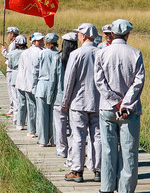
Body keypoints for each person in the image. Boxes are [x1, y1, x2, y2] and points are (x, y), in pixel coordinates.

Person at [94, 19, 145, 193]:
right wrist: (125, 103)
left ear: (112, 33)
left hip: (108, 107)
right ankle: (127, 188)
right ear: (128, 34)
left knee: (108, 148)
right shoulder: (135, 53)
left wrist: (114, 100)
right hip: (130, 109)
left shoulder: (102, 53)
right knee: (129, 149)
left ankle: (107, 186)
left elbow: (99, 81)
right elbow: (138, 82)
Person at [62, 23, 101, 183]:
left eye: (79, 34)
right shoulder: (101, 52)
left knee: (78, 136)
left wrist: (65, 101)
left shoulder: (76, 54)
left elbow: (69, 79)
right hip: (98, 101)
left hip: (78, 102)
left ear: (83, 36)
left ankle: (77, 170)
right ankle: (98, 169)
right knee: (97, 136)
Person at [32, 33, 62, 147]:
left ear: (47, 42)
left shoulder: (41, 53)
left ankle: (43, 140)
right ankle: (54, 139)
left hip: (42, 85)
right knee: (54, 116)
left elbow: (35, 71)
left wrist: (33, 86)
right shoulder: (59, 54)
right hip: (55, 87)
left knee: (42, 114)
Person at [54, 32, 79, 158]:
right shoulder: (78, 56)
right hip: (75, 98)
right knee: (75, 129)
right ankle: (73, 153)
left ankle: (62, 149)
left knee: (60, 126)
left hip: (59, 97)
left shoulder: (58, 57)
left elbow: (54, 79)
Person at [17, 32, 44, 137]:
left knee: (31, 106)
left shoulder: (25, 52)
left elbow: (21, 69)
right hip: (36, 83)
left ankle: (31, 130)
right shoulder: (41, 52)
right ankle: (36, 129)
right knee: (38, 107)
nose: (41, 42)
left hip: (26, 83)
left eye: (42, 40)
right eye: (39, 40)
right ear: (33, 42)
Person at [6, 35, 27, 129]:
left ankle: (16, 118)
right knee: (24, 98)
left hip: (15, 75)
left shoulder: (13, 53)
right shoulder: (27, 52)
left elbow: (10, 65)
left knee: (15, 98)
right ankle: (25, 119)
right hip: (25, 75)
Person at [1, 27, 20, 116]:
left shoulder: (13, 44)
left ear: (12, 34)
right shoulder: (16, 43)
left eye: (9, 33)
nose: (8, 35)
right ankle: (13, 107)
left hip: (11, 69)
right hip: (15, 69)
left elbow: (11, 56)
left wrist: (4, 51)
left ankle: (13, 108)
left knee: (11, 89)